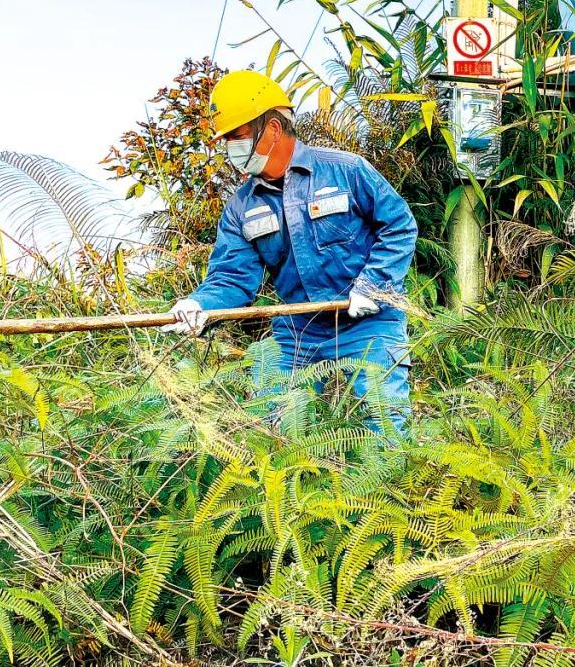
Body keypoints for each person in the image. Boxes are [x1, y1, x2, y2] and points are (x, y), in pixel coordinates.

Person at [161, 70, 418, 433]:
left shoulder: (347, 171)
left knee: (385, 426)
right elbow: (232, 277)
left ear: (273, 129)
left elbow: (399, 226)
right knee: (274, 430)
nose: (230, 148)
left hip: (369, 325)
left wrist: (373, 285)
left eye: (237, 136)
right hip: (298, 333)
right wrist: (200, 305)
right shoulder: (241, 208)